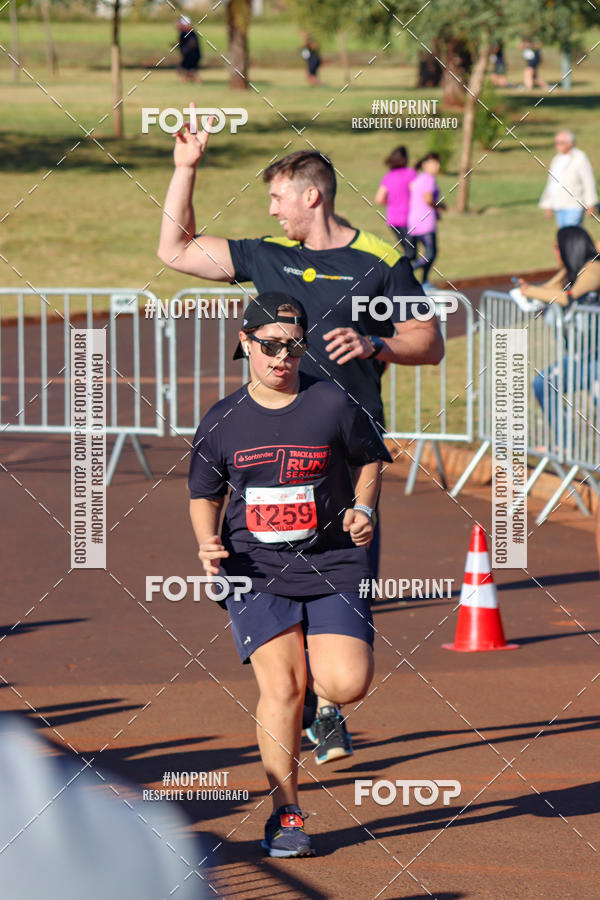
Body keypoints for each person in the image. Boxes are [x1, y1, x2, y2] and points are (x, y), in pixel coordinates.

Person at [158, 114, 444, 765]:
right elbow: (174, 251)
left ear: (311, 195)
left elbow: (429, 341)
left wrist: (378, 342)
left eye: (278, 197)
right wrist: (185, 170)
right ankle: (297, 705)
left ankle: (328, 699)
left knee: (340, 586)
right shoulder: (267, 255)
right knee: (270, 564)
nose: (271, 209)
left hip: (347, 456)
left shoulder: (378, 260)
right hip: (268, 447)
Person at [188, 292, 392, 857]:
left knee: (348, 682)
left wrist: (364, 508)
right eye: (270, 346)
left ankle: (320, 703)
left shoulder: (331, 402)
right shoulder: (223, 419)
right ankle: (287, 816)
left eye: (293, 347)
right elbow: (204, 494)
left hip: (331, 562)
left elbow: (370, 457)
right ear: (246, 342)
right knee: (280, 686)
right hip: (256, 569)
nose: (282, 358)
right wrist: (206, 543)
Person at [519, 226, 600, 443]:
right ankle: (568, 446)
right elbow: (549, 289)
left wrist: (529, 291)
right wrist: (564, 268)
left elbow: (568, 298)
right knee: (543, 384)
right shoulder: (575, 270)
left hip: (596, 358)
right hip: (583, 356)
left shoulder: (594, 269)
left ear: (569, 247)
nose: (555, 251)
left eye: (557, 247)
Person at [539, 131, 598, 228]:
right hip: (559, 205)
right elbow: (551, 183)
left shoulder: (580, 157)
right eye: (556, 143)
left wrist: (591, 203)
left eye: (561, 142)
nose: (557, 145)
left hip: (574, 206)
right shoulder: (556, 159)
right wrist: (548, 204)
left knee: (571, 235)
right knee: (563, 235)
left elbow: (588, 181)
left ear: (570, 143)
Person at [406, 152, 445, 290]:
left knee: (421, 253)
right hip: (425, 222)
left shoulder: (417, 179)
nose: (437, 166)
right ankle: (416, 275)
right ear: (425, 164)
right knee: (431, 253)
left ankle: (421, 280)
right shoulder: (429, 178)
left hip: (413, 220)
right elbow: (428, 199)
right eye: (434, 163)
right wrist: (439, 205)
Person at [374, 145, 417, 259]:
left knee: (408, 251)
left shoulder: (388, 176)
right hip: (408, 219)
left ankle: (410, 275)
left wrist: (392, 201)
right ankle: (404, 274)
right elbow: (415, 194)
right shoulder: (410, 174)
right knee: (411, 254)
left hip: (393, 220)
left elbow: (379, 199)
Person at [176, 16, 201, 83]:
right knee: (185, 70)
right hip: (189, 55)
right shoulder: (184, 32)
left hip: (192, 56)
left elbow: (193, 43)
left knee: (187, 71)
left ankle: (188, 82)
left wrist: (185, 50)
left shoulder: (189, 33)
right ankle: (185, 82)